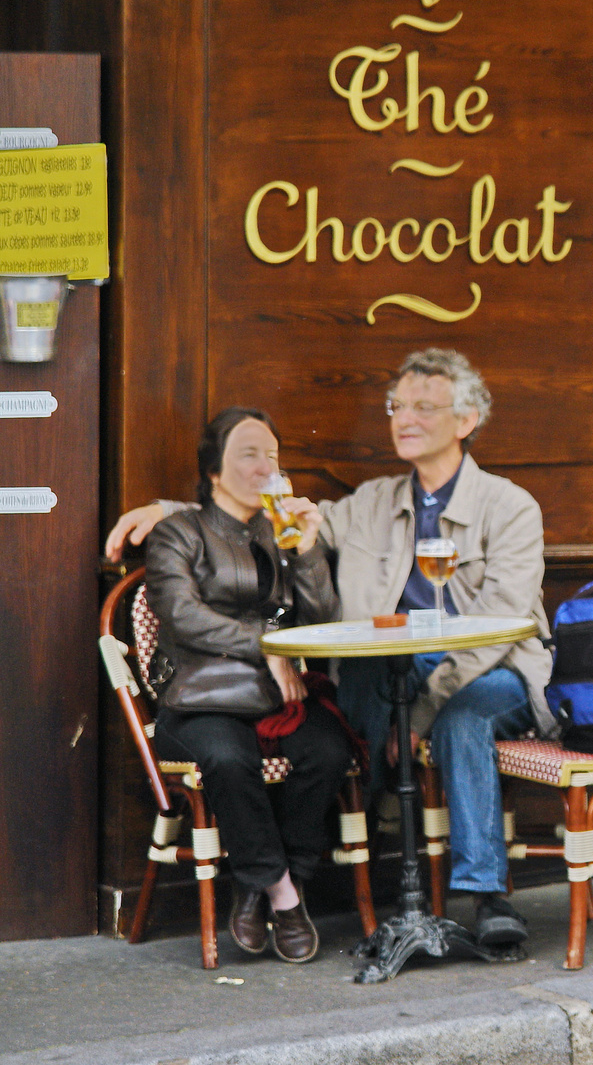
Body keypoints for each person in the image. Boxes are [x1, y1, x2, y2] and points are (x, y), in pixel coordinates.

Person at [108, 349, 554, 949]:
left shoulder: (510, 507)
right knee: (354, 702)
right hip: (387, 668)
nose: (405, 418)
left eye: (425, 407)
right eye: (398, 406)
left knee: (461, 717)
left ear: (467, 421)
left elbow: (498, 631)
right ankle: (366, 847)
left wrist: (419, 716)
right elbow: (273, 519)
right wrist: (169, 511)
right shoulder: (371, 502)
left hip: (488, 670)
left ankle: (484, 893)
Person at [145, 407, 347, 963]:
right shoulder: (177, 533)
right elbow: (181, 615)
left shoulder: (283, 529)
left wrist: (306, 550)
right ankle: (286, 899)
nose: (265, 467)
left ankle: (264, 880)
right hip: (200, 699)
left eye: (273, 456)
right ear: (214, 470)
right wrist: (268, 645)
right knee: (229, 762)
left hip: (278, 698)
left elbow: (322, 615)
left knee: (329, 751)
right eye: (248, 454)